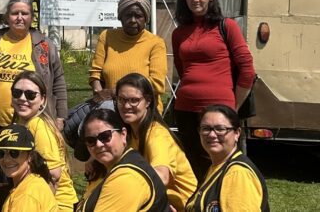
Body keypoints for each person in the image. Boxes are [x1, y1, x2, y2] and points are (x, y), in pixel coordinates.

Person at [172, 0, 255, 180]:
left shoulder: (226, 26)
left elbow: (247, 69)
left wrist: (232, 109)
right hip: (185, 110)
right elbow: (181, 70)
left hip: (220, 111)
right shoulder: (179, 33)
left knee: (223, 167)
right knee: (192, 168)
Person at [0, 0, 67, 149]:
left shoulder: (44, 45)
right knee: (4, 166)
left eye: (25, 13)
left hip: (34, 123)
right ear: (7, 17)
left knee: (34, 167)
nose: (19, 18)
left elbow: (58, 82)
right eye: (15, 13)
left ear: (32, 17)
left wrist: (61, 116)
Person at [115, 73, 197, 211]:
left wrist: (124, 181)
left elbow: (162, 176)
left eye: (134, 100)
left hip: (183, 206)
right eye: (121, 100)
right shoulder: (130, 133)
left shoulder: (157, 135)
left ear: (148, 101)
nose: (126, 106)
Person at [76, 108, 169, 212]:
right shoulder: (104, 169)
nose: (98, 144)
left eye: (105, 136)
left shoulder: (127, 178)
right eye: (90, 140)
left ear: (123, 134)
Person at [11, 71, 78, 211]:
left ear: (42, 99)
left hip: (57, 203)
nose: (22, 98)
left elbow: (54, 174)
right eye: (17, 93)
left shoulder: (37, 125)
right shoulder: (24, 124)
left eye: (30, 95)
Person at [89, 0, 167, 110]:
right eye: (128, 15)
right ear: (120, 16)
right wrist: (98, 91)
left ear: (146, 18)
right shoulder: (107, 37)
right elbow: (96, 72)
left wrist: (115, 92)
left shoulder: (155, 43)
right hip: (110, 108)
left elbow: (157, 84)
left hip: (144, 112)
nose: (133, 20)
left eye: (139, 16)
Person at [185, 105, 269, 212]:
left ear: (237, 133)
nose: (211, 134)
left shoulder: (238, 174)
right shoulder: (217, 166)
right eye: (206, 129)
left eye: (220, 129)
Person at [0, 123, 57, 212]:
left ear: (30, 156)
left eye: (14, 153)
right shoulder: (34, 181)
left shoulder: (26, 196)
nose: (6, 160)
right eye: (0, 153)